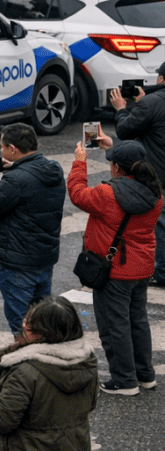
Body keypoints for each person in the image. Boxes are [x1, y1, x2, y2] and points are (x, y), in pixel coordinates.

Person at [68, 138, 163, 395]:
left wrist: (79, 163)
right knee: (137, 321)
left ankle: (124, 380)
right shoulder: (155, 194)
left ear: (118, 169)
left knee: (114, 325)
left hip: (115, 271)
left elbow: (77, 194)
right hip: (142, 267)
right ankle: (145, 375)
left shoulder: (107, 194)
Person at [0, 123, 66, 337]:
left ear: (13, 149)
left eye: (2, 147)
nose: (0, 151)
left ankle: (27, 361)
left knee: (21, 325)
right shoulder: (54, 169)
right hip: (44, 258)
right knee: (42, 321)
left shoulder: (16, 179)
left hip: (18, 264)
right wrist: (17, 167)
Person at [0, 295, 98, 451]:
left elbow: (1, 420)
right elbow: (91, 404)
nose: (24, 326)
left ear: (41, 332)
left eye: (28, 323)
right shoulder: (86, 359)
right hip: (74, 443)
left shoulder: (25, 371)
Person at [108, 62, 165, 287]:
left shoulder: (152, 102)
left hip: (159, 176)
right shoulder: (151, 103)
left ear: (160, 79)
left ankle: (161, 271)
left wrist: (122, 108)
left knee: (159, 225)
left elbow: (125, 130)